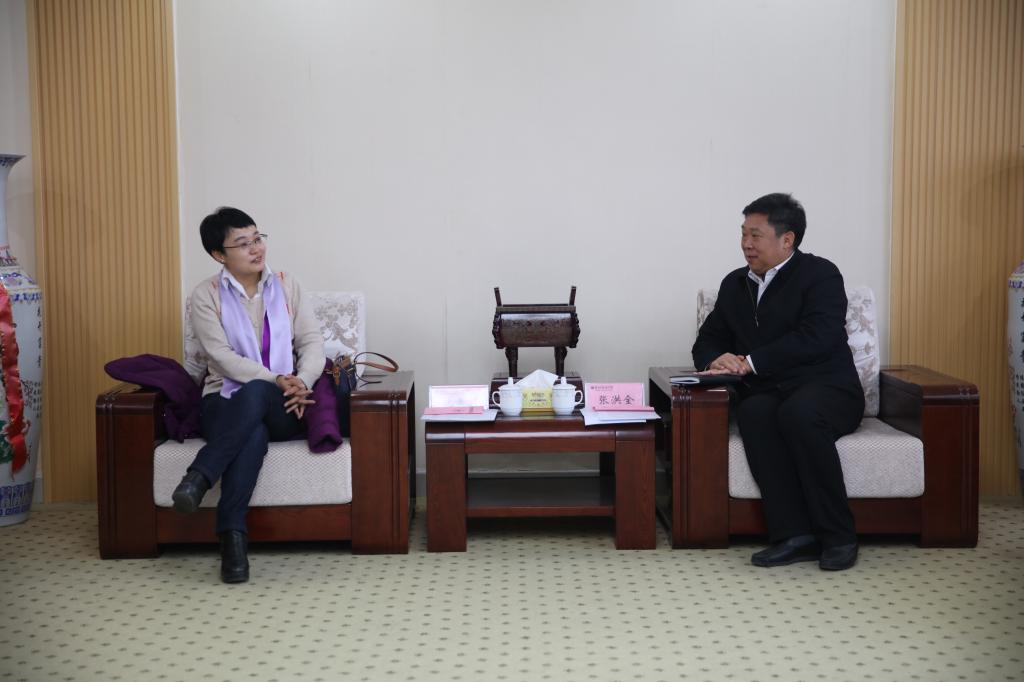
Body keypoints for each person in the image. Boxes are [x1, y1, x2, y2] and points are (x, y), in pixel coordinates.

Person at [691, 193, 864, 571]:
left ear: (788, 239)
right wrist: (715, 358)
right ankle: (793, 535)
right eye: (743, 234)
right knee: (754, 412)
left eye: (756, 235)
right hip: (772, 390)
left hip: (830, 389)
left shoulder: (821, 275)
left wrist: (751, 362)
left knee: (799, 414)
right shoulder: (736, 284)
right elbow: (708, 339)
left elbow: (817, 337)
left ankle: (839, 536)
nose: (746, 244)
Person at [171, 207, 325, 583]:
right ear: (218, 255)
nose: (256, 249)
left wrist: (300, 380)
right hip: (223, 401)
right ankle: (233, 546)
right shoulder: (205, 295)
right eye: (242, 244)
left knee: (257, 392)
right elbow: (221, 358)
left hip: (285, 403)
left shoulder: (287, 285)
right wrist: (276, 378)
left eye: (257, 239)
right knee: (251, 431)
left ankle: (199, 476)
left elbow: (312, 343)